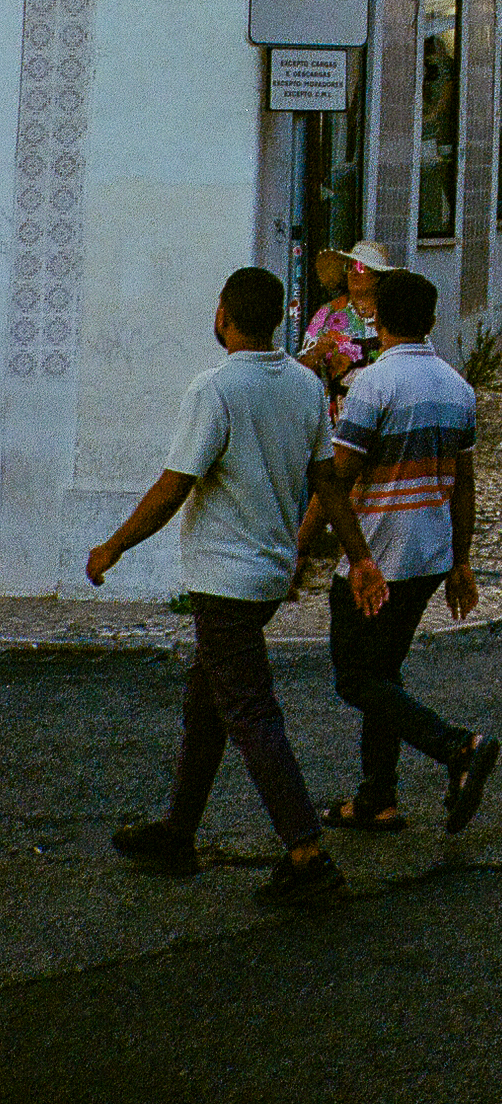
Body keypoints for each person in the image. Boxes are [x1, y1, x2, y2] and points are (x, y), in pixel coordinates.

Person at [86, 263, 385, 908]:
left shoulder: (215, 389)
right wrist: (359, 557)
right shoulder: (304, 388)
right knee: (207, 705)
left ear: (224, 315)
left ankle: (306, 854)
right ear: (274, 318)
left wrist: (114, 544)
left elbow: (176, 483)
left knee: (250, 713)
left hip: (224, 579)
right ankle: (178, 833)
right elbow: (327, 484)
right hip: (270, 573)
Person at [320, 266, 499, 838]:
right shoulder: (457, 388)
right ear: (432, 319)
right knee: (383, 672)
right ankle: (378, 798)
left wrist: (301, 550)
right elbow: (464, 483)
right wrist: (462, 561)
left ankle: (456, 747)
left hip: (376, 557)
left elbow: (338, 479)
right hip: (430, 556)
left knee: (355, 677)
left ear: (375, 316)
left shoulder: (372, 385)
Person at [298, 237, 390, 424]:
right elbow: (301, 370)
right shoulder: (327, 313)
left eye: (362, 267)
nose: (354, 273)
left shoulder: (392, 314)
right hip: (338, 419)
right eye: (350, 267)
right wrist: (316, 353)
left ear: (377, 276)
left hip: (385, 417)